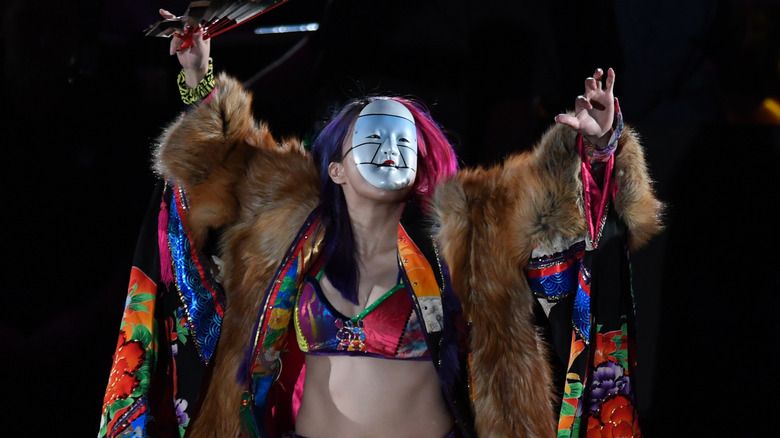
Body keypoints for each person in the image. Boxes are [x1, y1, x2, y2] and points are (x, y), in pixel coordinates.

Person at [98, 11, 663, 438]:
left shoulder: (472, 228)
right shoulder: (285, 226)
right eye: (373, 134)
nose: (392, 148)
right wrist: (199, 75)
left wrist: (597, 146)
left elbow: (570, 218)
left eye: (404, 140)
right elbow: (213, 172)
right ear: (336, 168)